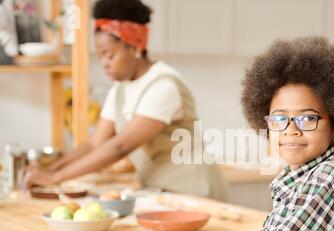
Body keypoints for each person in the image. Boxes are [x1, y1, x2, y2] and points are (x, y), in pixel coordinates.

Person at [122, 36, 334, 231]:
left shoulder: (328, 179)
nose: (290, 130)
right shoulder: (298, 178)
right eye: (279, 118)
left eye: (307, 118)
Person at [26, 0, 229, 201]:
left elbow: (120, 147)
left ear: (134, 47)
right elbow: (94, 143)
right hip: (161, 190)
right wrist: (49, 169)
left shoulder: (163, 86)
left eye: (110, 55)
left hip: (196, 192)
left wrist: (55, 178)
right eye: (101, 55)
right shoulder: (120, 89)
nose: (104, 63)